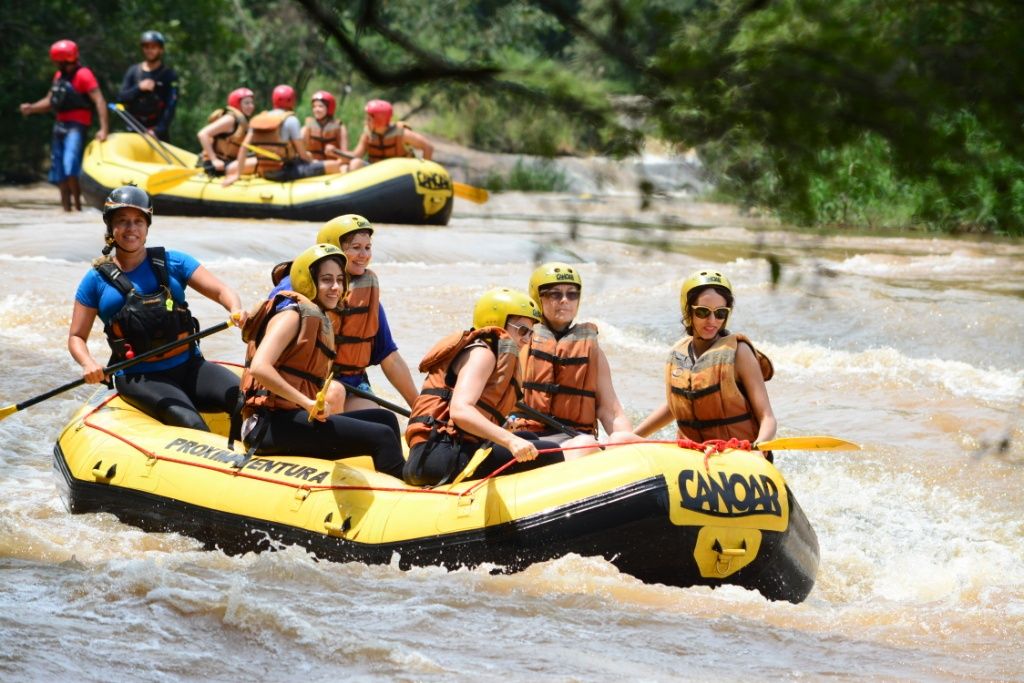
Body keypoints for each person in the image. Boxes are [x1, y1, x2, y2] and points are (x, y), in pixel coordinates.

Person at [68, 185, 246, 433]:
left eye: (138, 221)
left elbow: (221, 291)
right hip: (140, 378)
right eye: (123, 221)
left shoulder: (175, 262)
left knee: (244, 400)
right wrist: (87, 363)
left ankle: (244, 456)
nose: (131, 229)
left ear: (147, 226)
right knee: (192, 424)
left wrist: (235, 308)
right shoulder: (95, 280)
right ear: (111, 228)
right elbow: (77, 337)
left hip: (189, 366)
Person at [239, 243, 405, 478]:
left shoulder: (315, 315)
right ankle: (401, 498)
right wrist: (306, 402)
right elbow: (260, 368)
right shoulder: (292, 315)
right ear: (308, 282)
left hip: (290, 419)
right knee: (382, 437)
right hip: (267, 426)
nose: (336, 287)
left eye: (340, 279)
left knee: (385, 418)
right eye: (327, 280)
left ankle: (403, 479)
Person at [404, 288, 586, 487]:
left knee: (528, 437)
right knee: (551, 453)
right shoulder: (482, 353)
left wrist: (508, 431)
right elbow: (460, 411)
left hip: (441, 451)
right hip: (438, 457)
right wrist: (509, 440)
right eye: (523, 330)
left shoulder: (487, 351)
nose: (527, 339)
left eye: (531, 333)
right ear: (496, 322)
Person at [268, 214, 419, 412]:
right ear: (332, 249)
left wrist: (419, 407)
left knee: (380, 420)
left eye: (368, 247)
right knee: (335, 393)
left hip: (353, 384)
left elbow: (390, 357)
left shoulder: (365, 295)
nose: (364, 255)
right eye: (356, 248)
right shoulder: (296, 286)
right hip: (307, 383)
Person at [633, 269, 777, 452]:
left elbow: (768, 418)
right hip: (694, 455)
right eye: (702, 312)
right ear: (688, 311)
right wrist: (634, 437)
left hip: (738, 456)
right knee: (622, 436)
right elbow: (677, 405)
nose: (712, 321)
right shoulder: (679, 354)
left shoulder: (740, 353)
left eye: (720, 313)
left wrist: (758, 451)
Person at [510, 262, 638, 449]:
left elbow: (611, 412)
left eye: (572, 294)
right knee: (585, 443)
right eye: (555, 294)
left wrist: (627, 442)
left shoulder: (591, 350)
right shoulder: (520, 342)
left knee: (613, 440)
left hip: (576, 440)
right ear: (538, 298)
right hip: (527, 440)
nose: (564, 300)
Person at [19, 39, 109, 212]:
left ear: (61, 60)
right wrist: (32, 108)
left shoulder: (84, 75)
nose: (55, 64)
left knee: (70, 166)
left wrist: (103, 128)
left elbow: (99, 101)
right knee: (59, 169)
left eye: (56, 61)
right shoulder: (59, 77)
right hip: (59, 126)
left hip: (76, 126)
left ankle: (77, 207)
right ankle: (66, 210)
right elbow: (49, 101)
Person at [222, 85, 345, 187]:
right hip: (284, 172)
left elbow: (244, 148)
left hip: (263, 170)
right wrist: (313, 161)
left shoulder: (259, 119)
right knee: (333, 165)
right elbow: (303, 155)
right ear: (291, 100)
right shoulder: (291, 120)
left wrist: (237, 175)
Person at [117, 30, 178, 141]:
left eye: (154, 47)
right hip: (133, 129)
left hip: (156, 134)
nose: (150, 50)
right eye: (146, 47)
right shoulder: (133, 71)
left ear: (161, 49)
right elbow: (121, 98)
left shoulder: (169, 75)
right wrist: (139, 88)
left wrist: (157, 130)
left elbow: (171, 107)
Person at [347, 99, 433, 171]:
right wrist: (335, 152)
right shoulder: (367, 135)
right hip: (375, 173)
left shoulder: (402, 133)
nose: (365, 122)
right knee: (355, 163)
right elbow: (356, 155)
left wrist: (425, 171)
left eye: (369, 119)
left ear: (379, 120)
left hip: (400, 173)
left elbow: (428, 147)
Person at [197, 87, 255, 176]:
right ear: (237, 104)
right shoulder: (230, 119)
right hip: (217, 166)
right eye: (247, 103)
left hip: (229, 162)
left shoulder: (241, 121)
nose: (251, 106)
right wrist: (214, 160)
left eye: (252, 103)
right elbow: (203, 134)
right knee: (257, 162)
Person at [301, 90, 349, 166]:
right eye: (314, 106)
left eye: (320, 106)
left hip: (333, 165)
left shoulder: (340, 127)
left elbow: (345, 155)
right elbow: (300, 148)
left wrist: (335, 152)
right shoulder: (308, 126)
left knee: (345, 166)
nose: (316, 109)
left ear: (329, 108)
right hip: (313, 164)